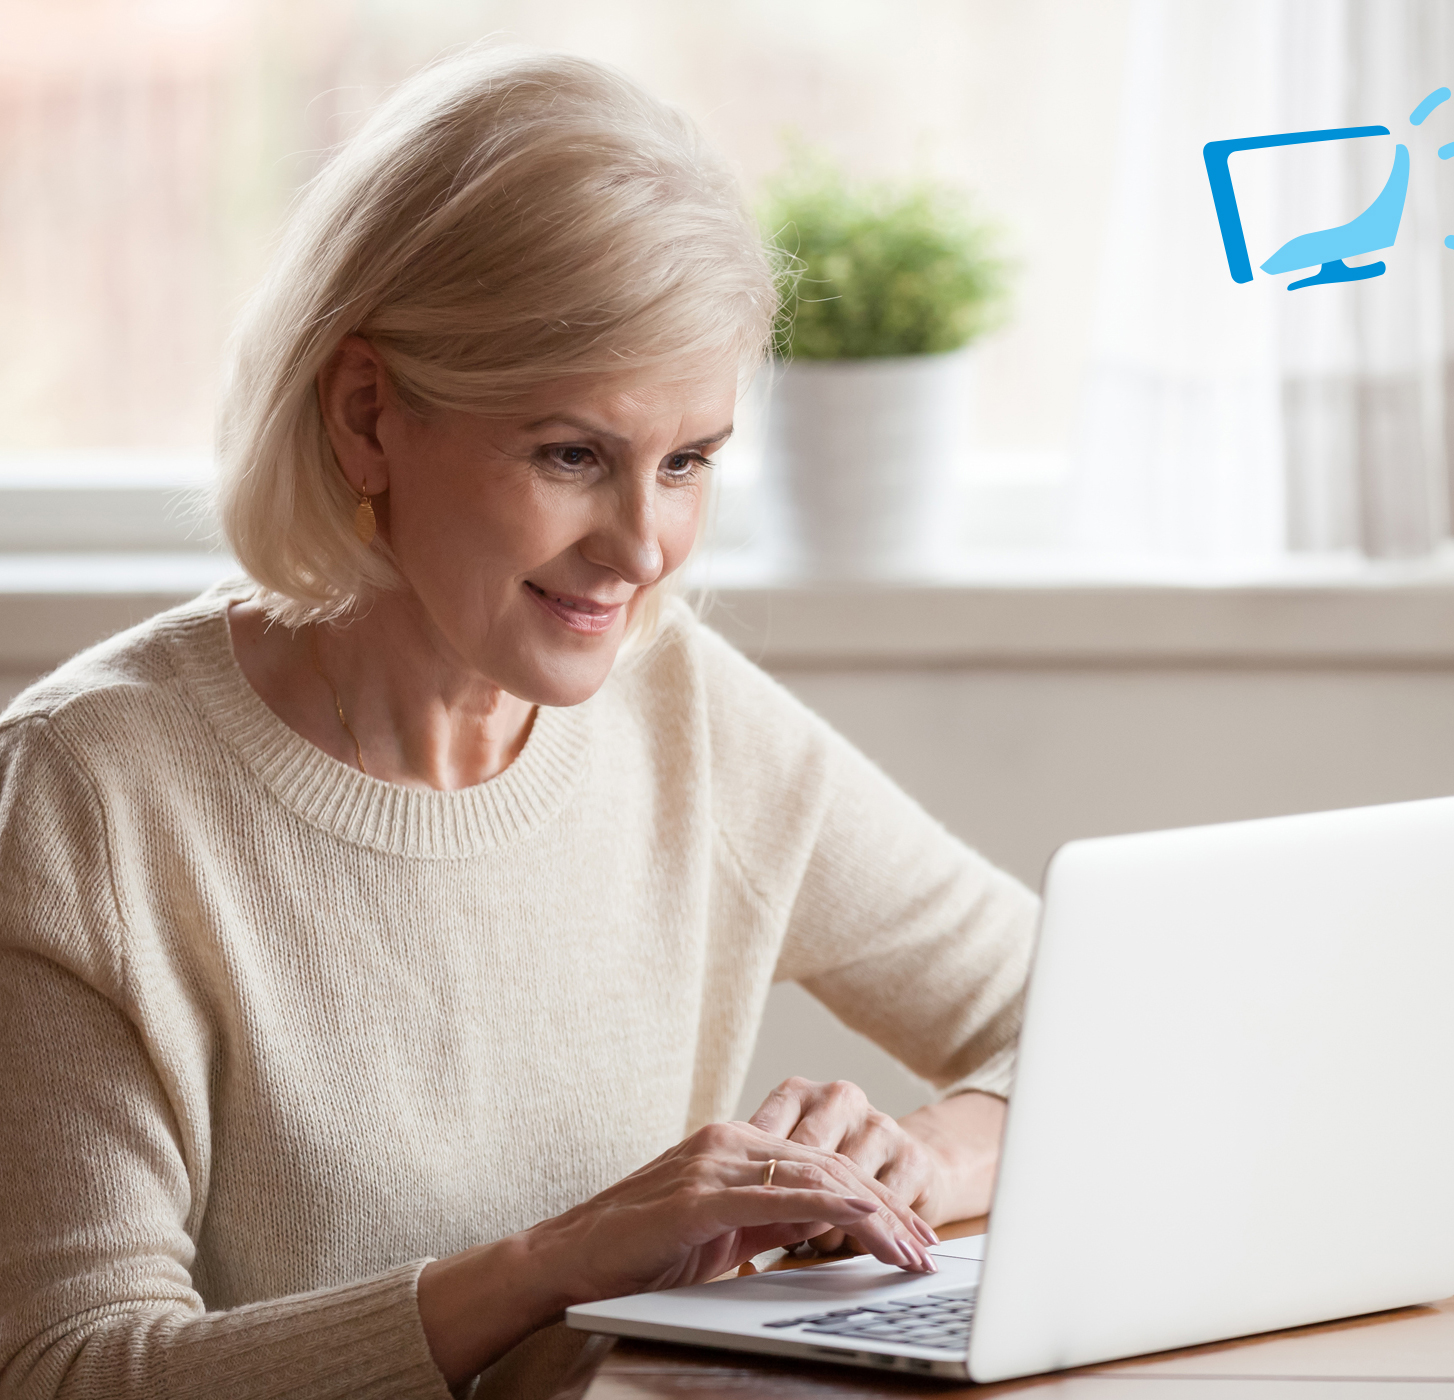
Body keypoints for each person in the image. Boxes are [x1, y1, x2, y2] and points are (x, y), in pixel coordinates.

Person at [0, 49, 1036, 1400]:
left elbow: (1092, 1017)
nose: (644, 548)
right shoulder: (87, 803)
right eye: (571, 456)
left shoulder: (690, 715)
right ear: (367, 416)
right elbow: (69, 1370)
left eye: (689, 463)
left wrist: (928, 1154)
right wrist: (549, 1265)